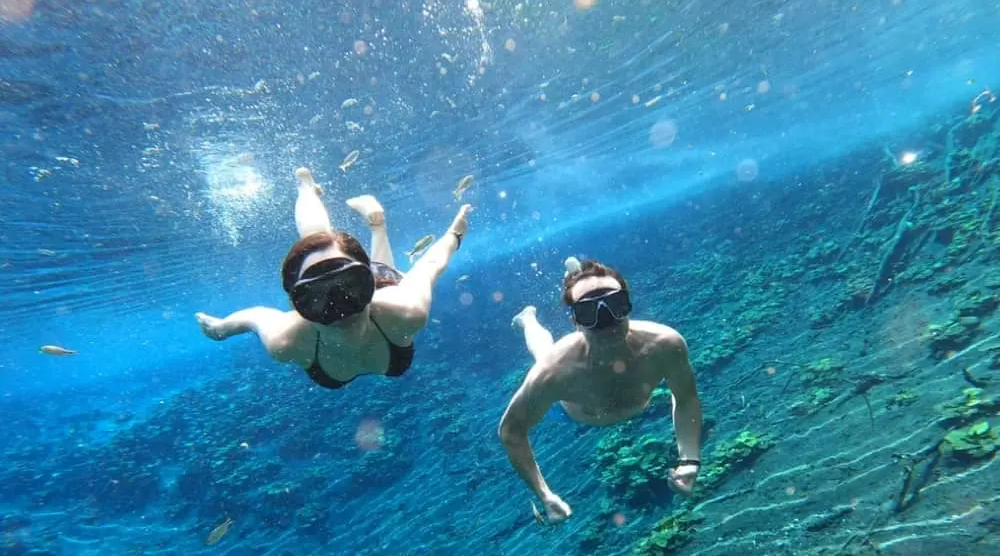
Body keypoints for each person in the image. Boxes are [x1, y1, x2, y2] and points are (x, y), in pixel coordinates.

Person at [195, 167, 471, 388]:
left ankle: (367, 221)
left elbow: (431, 264)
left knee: (335, 248)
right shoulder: (287, 341)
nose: (340, 309)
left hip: (384, 289)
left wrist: (454, 235)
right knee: (316, 241)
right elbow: (254, 317)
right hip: (374, 297)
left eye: (351, 287)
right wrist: (221, 330)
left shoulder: (405, 310)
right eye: (316, 297)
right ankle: (312, 190)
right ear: (296, 305)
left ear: (369, 284)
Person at [498, 259, 703, 524]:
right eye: (588, 312)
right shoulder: (555, 372)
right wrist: (544, 494)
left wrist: (690, 460)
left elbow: (685, 398)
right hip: (570, 415)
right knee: (544, 354)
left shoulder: (664, 345)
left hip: (596, 403)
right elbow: (511, 431)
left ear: (628, 306)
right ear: (575, 321)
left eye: (615, 305)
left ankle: (574, 286)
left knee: (547, 358)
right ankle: (528, 320)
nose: (606, 322)